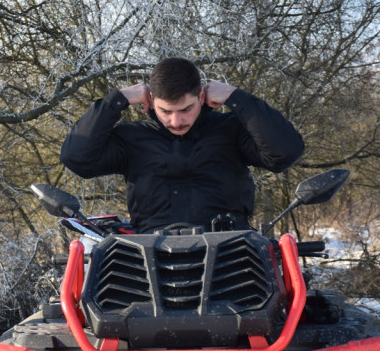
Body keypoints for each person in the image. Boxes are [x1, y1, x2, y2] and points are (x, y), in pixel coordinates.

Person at [59, 57, 304, 233]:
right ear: (152, 101)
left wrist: (235, 96)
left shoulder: (231, 129)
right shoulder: (131, 138)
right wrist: (117, 99)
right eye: (166, 111)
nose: (176, 121)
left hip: (232, 248)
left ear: (201, 97)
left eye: (186, 109)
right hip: (150, 254)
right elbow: (77, 159)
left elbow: (285, 153)